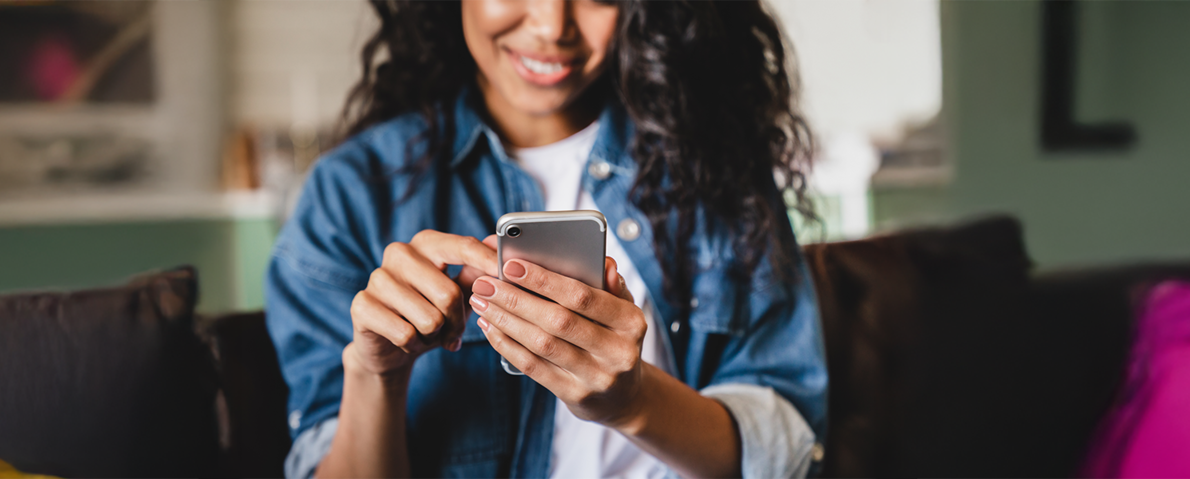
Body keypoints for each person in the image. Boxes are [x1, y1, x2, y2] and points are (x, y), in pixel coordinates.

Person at [264, 0, 826, 477]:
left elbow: (788, 448)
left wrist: (633, 402)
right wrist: (374, 375)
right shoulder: (352, 194)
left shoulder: (713, 164)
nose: (553, 25)